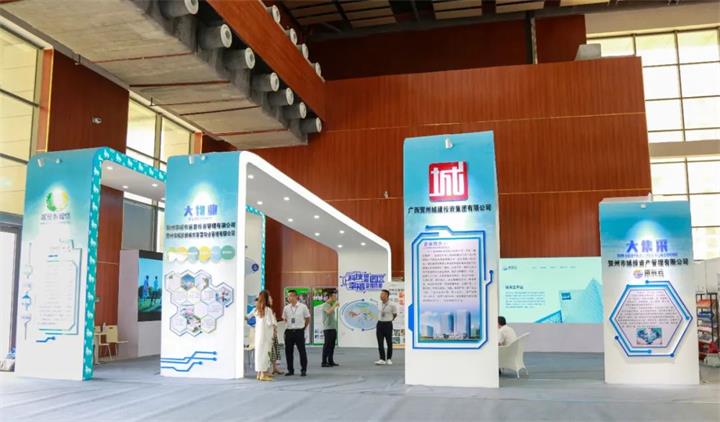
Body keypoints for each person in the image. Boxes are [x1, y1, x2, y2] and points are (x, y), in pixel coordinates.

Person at [282, 289, 310, 376]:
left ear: (295, 296)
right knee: (288, 352)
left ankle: (303, 370)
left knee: (302, 351)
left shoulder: (303, 307)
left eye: (290, 296)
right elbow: (284, 318)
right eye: (288, 296)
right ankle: (290, 370)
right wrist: (289, 325)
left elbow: (307, 318)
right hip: (289, 332)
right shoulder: (286, 308)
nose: (289, 298)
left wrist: (303, 328)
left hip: (299, 331)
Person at [251, 290, 276, 381]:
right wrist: (274, 331)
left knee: (259, 354)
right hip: (266, 336)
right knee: (265, 354)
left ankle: (259, 373)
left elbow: (249, 317)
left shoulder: (257, 309)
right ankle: (263, 374)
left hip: (258, 336)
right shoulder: (268, 310)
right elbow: (271, 323)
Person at [375, 289, 397, 365]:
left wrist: (390, 319)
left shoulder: (392, 304)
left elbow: (395, 314)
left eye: (383, 294)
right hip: (379, 324)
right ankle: (382, 359)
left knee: (389, 342)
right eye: (381, 294)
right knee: (380, 342)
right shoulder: (379, 303)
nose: (381, 296)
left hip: (388, 324)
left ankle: (389, 359)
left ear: (387, 295)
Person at [321, 291, 340, 368]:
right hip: (327, 328)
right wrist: (335, 305)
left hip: (333, 328)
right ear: (330, 297)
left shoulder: (331, 305)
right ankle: (324, 362)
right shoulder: (325, 305)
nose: (336, 298)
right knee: (327, 345)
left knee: (332, 345)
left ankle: (330, 361)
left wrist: (334, 305)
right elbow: (328, 312)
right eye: (335, 297)